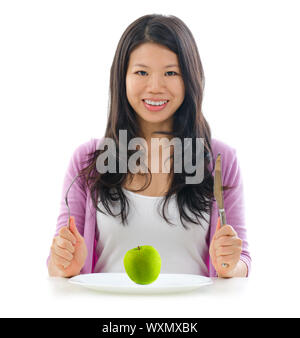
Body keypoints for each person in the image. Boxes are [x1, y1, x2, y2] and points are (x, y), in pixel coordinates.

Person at [47, 14, 251, 279]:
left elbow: (241, 259)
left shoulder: (218, 160)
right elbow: (57, 263)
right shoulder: (88, 159)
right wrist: (65, 264)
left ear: (190, 79)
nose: (155, 87)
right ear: (122, 78)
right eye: (142, 72)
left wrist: (230, 263)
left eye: (171, 73)